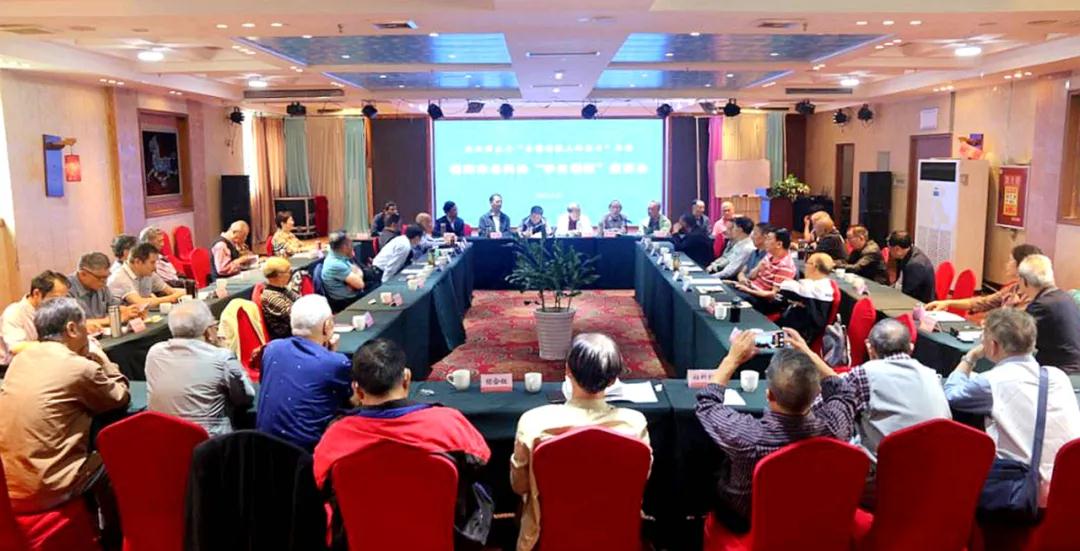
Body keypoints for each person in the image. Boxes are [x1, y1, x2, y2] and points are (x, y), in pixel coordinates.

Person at [696, 327, 856, 531]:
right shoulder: (834, 427)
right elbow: (844, 391)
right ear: (818, 392)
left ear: (769, 394)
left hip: (749, 519)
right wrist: (809, 353)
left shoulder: (747, 435)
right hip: (811, 514)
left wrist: (732, 359)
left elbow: (706, 403)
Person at [511, 333, 651, 550]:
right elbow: (640, 479)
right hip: (616, 539)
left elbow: (519, 485)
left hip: (548, 538)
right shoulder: (634, 424)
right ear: (613, 379)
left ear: (567, 370)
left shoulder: (534, 423)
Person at [313, 338, 490, 499]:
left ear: (357, 391)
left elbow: (320, 482)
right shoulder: (448, 422)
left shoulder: (336, 434)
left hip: (359, 524)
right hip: (439, 523)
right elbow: (481, 460)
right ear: (406, 379)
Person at [0, 298, 129, 513]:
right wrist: (103, 359)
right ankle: (114, 532)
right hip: (48, 487)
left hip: (9, 487)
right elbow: (120, 397)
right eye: (84, 326)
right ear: (72, 328)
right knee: (119, 456)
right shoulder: (79, 367)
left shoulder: (19, 361)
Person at [944, 308, 1080, 506]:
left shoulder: (991, 381)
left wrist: (970, 358)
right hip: (1070, 488)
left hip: (1023, 495)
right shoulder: (1059, 377)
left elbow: (951, 395)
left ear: (993, 346)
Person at [834, 318, 951, 505]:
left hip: (884, 485)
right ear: (911, 348)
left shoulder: (865, 373)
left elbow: (823, 408)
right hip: (934, 481)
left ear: (869, 348)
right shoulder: (931, 375)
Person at [256, 295, 353, 452]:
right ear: (327, 326)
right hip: (307, 455)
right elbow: (353, 399)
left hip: (262, 450)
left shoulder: (272, 349)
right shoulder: (336, 363)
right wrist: (331, 355)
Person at [145, 300, 255, 436]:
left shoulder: (154, 353)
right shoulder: (221, 357)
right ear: (208, 330)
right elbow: (246, 397)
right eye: (214, 325)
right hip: (207, 441)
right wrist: (222, 349)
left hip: (161, 437)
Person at [928, 244, 1042, 314]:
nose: (1007, 264)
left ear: (1021, 265)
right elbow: (982, 302)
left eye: (1011, 260)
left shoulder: (1035, 298)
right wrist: (947, 302)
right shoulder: (1014, 288)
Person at [1017, 254, 1080, 373]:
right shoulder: (1065, 297)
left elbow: (1014, 339)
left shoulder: (1040, 306)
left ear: (1024, 281)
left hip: (1060, 372)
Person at [1, 271, 69, 365]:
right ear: (36, 293)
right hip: (13, 367)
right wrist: (53, 345)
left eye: (64, 299)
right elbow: (16, 347)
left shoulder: (55, 311)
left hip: (45, 363)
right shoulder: (14, 312)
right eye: (56, 298)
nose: (60, 304)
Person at [67, 252, 140, 333]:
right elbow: (73, 324)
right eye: (101, 278)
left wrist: (130, 311)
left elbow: (113, 306)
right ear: (83, 274)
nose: (105, 282)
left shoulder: (101, 285)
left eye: (107, 277)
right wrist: (111, 320)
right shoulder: (66, 289)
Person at [733, 227, 797, 314]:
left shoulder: (785, 266)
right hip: (751, 289)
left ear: (779, 244)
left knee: (731, 298)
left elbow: (772, 295)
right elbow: (752, 276)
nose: (765, 242)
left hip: (761, 301)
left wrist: (747, 290)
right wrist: (758, 268)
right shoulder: (769, 254)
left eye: (768, 239)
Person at [775, 253, 836, 342]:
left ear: (814, 266)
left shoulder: (814, 289)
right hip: (786, 331)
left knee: (757, 341)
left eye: (807, 263)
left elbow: (782, 290)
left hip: (792, 340)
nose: (805, 266)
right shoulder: (820, 285)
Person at [107, 242, 185, 307]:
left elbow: (171, 291)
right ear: (138, 262)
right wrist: (172, 298)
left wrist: (188, 291)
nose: (155, 267)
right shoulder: (120, 277)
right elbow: (140, 303)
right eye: (152, 262)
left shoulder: (147, 272)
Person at [886, 231, 935, 303]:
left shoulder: (915, 265)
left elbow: (907, 293)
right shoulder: (908, 252)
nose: (889, 252)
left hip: (920, 304)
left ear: (897, 249)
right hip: (910, 296)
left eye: (890, 248)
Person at [320, 232, 366, 304]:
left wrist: (355, 279)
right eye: (351, 244)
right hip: (345, 301)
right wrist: (358, 273)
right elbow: (360, 285)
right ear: (344, 247)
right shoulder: (335, 264)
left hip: (351, 295)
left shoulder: (336, 254)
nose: (352, 246)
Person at [261, 257, 300, 341]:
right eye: (288, 272)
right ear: (279, 275)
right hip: (287, 338)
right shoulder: (271, 296)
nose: (290, 274)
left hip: (296, 330)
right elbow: (295, 315)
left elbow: (300, 300)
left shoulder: (283, 288)